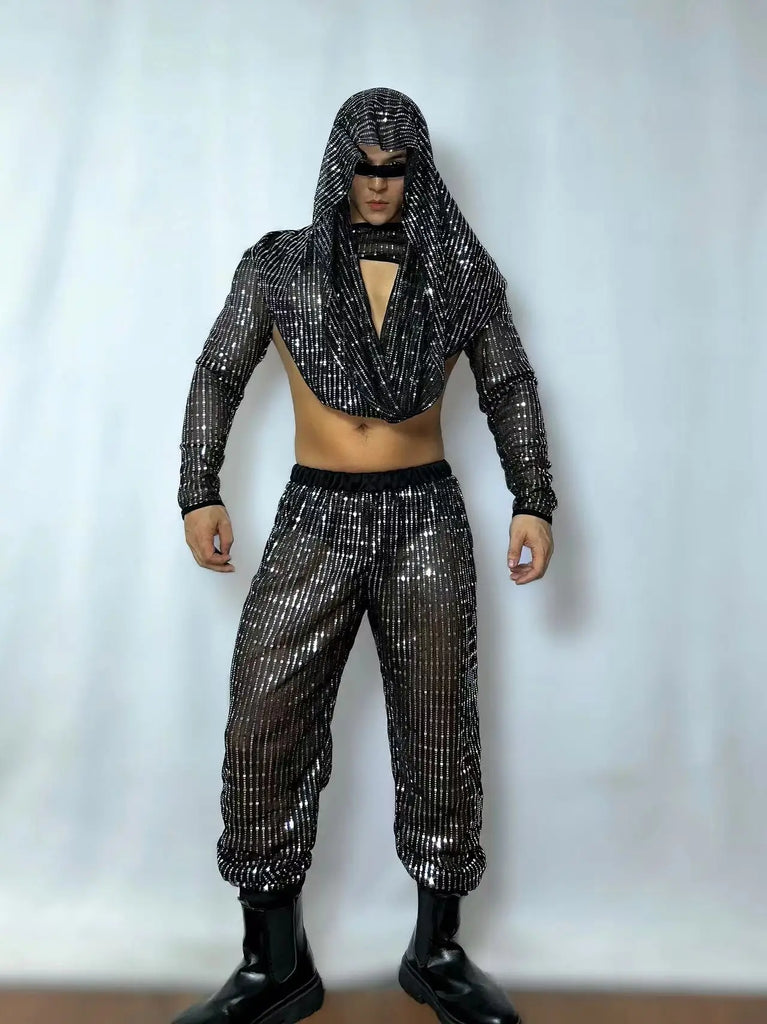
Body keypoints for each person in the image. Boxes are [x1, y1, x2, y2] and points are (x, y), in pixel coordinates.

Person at [173, 87, 556, 1024]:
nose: (378, 186)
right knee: (263, 721)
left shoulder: (456, 271)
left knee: (438, 727)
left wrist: (532, 498)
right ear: (335, 167)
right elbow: (219, 368)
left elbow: (507, 380)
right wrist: (199, 486)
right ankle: (272, 964)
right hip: (314, 516)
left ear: (417, 173)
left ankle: (437, 952)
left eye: (395, 170)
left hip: (424, 515)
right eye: (363, 167)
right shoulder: (281, 266)